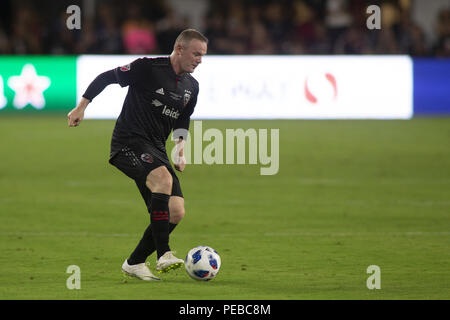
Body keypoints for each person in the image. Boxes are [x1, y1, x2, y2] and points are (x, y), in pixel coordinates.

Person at [67, 29, 208, 281]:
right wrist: (81, 106)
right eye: (196, 53)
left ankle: (135, 262)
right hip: (128, 141)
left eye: (203, 55)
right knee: (163, 181)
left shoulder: (191, 86)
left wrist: (180, 149)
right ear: (179, 49)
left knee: (176, 211)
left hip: (156, 148)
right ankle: (164, 254)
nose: (199, 59)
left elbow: (183, 119)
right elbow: (106, 77)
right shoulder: (148, 68)